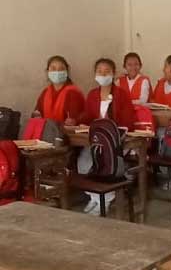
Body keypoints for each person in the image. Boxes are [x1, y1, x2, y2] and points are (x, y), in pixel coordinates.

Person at [78, 58, 136, 215]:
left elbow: (128, 121)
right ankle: (95, 197)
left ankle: (106, 200)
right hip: (97, 140)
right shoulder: (92, 94)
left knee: (105, 164)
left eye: (107, 71)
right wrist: (77, 121)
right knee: (83, 163)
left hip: (116, 141)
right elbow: (87, 115)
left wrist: (112, 127)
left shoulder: (121, 94)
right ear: (95, 74)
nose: (103, 74)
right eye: (99, 71)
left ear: (113, 73)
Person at [33, 55, 85, 125]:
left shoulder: (73, 93)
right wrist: (36, 115)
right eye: (53, 69)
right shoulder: (45, 92)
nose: (57, 72)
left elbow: (77, 119)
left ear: (67, 72)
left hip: (66, 131)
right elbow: (36, 114)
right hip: (47, 130)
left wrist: (74, 121)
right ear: (47, 71)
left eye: (61, 69)